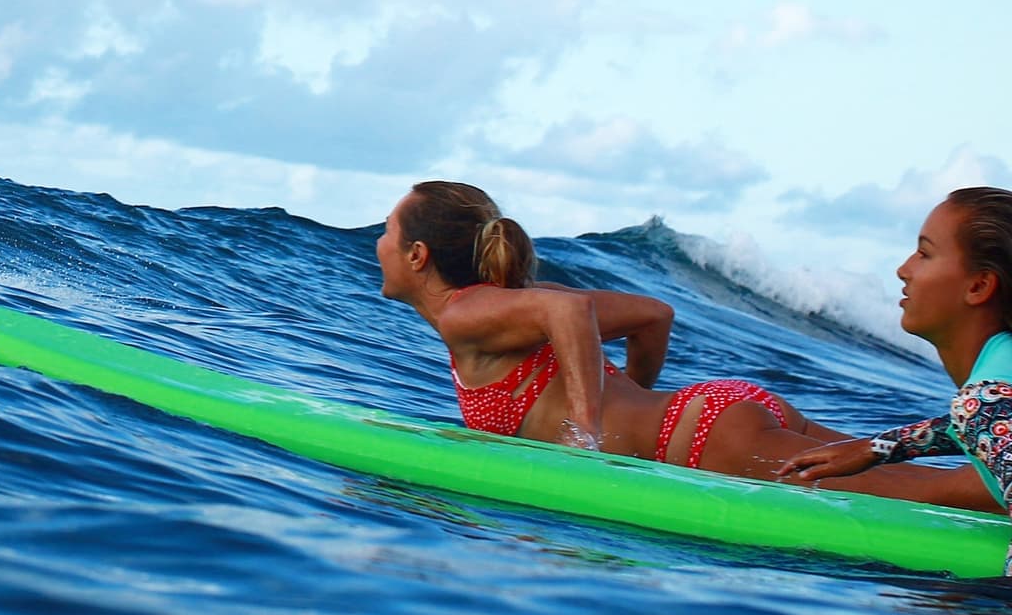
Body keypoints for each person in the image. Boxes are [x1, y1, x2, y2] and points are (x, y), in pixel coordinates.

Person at [376, 179, 993, 504]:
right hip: (713, 413)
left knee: (940, 492)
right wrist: (629, 401)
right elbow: (654, 315)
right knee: (929, 473)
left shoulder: (464, 314)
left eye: (386, 231)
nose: (378, 243)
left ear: (418, 254)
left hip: (705, 441)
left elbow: (568, 312)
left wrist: (587, 433)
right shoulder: (509, 304)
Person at [777, 186, 1012, 555]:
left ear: (979, 286)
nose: (903, 270)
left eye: (925, 254)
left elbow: (985, 415)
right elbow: (987, 422)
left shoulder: (983, 399)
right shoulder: (993, 386)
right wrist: (881, 448)